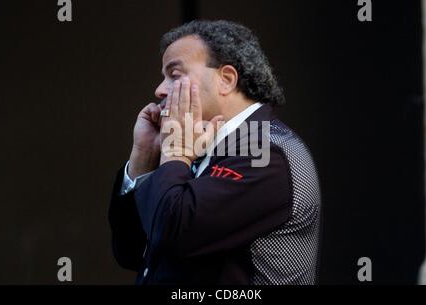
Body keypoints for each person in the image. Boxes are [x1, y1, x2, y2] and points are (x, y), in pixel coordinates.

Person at [109, 20, 321, 285]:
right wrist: (143, 156)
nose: (159, 90)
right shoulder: (204, 144)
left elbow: (174, 235)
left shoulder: (265, 152)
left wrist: (176, 152)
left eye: (174, 75)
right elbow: (132, 253)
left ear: (226, 79)